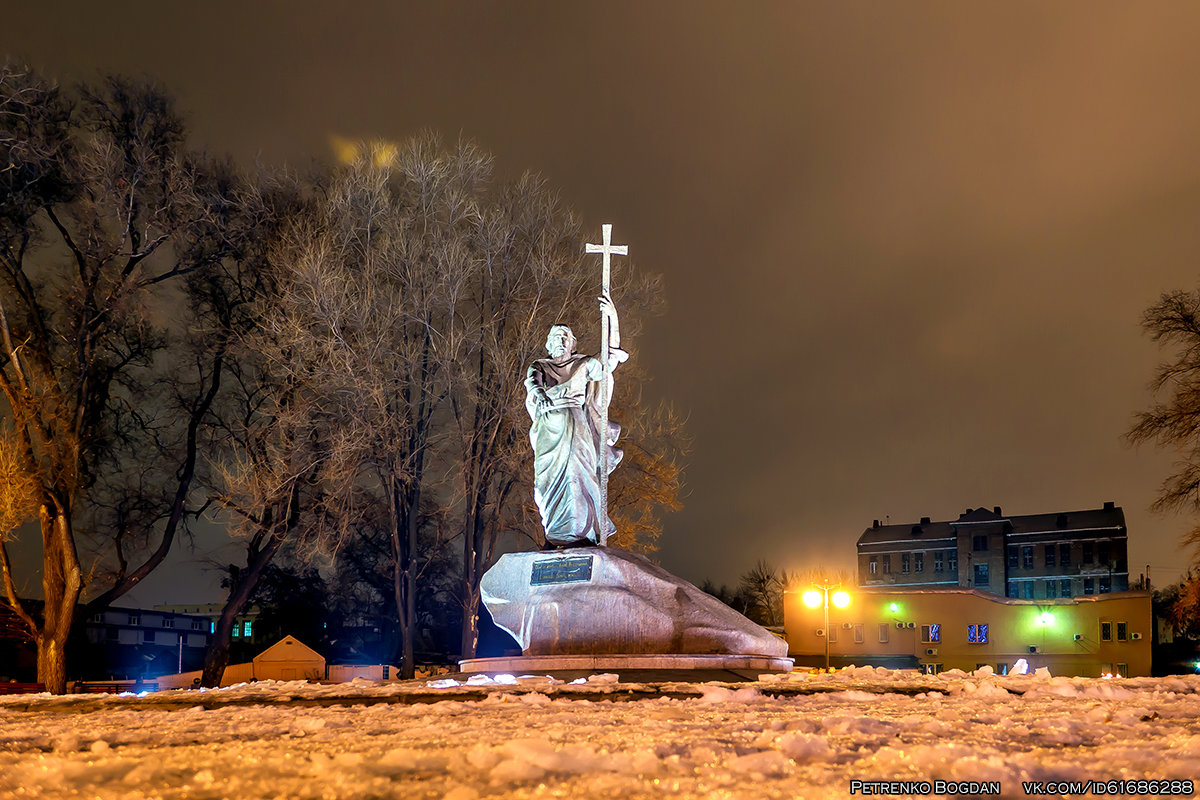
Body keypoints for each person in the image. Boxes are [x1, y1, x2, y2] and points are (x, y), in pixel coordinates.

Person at [524, 293, 628, 546]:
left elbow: (610, 358)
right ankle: (556, 534)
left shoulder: (583, 364)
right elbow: (532, 383)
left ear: (573, 344)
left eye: (565, 337)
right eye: (555, 337)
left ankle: (580, 532)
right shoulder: (540, 365)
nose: (560, 340)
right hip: (549, 431)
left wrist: (613, 317)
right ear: (548, 344)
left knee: (577, 474)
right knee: (546, 482)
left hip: (575, 425)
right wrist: (539, 393)